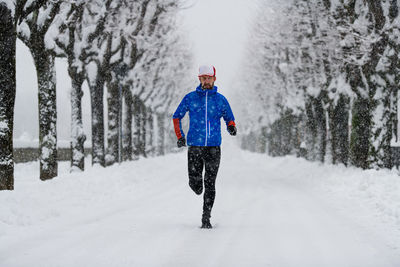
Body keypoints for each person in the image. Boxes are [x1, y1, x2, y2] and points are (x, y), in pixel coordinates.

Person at [172, 65, 237, 229]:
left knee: (210, 183)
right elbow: (176, 116)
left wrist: (231, 126)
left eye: (209, 78)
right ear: (199, 79)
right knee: (195, 183)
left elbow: (229, 117)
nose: (206, 81)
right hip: (195, 146)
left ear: (214, 79)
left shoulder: (220, 99)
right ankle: (196, 185)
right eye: (203, 78)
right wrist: (180, 136)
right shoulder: (190, 98)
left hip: (213, 147)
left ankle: (206, 217)